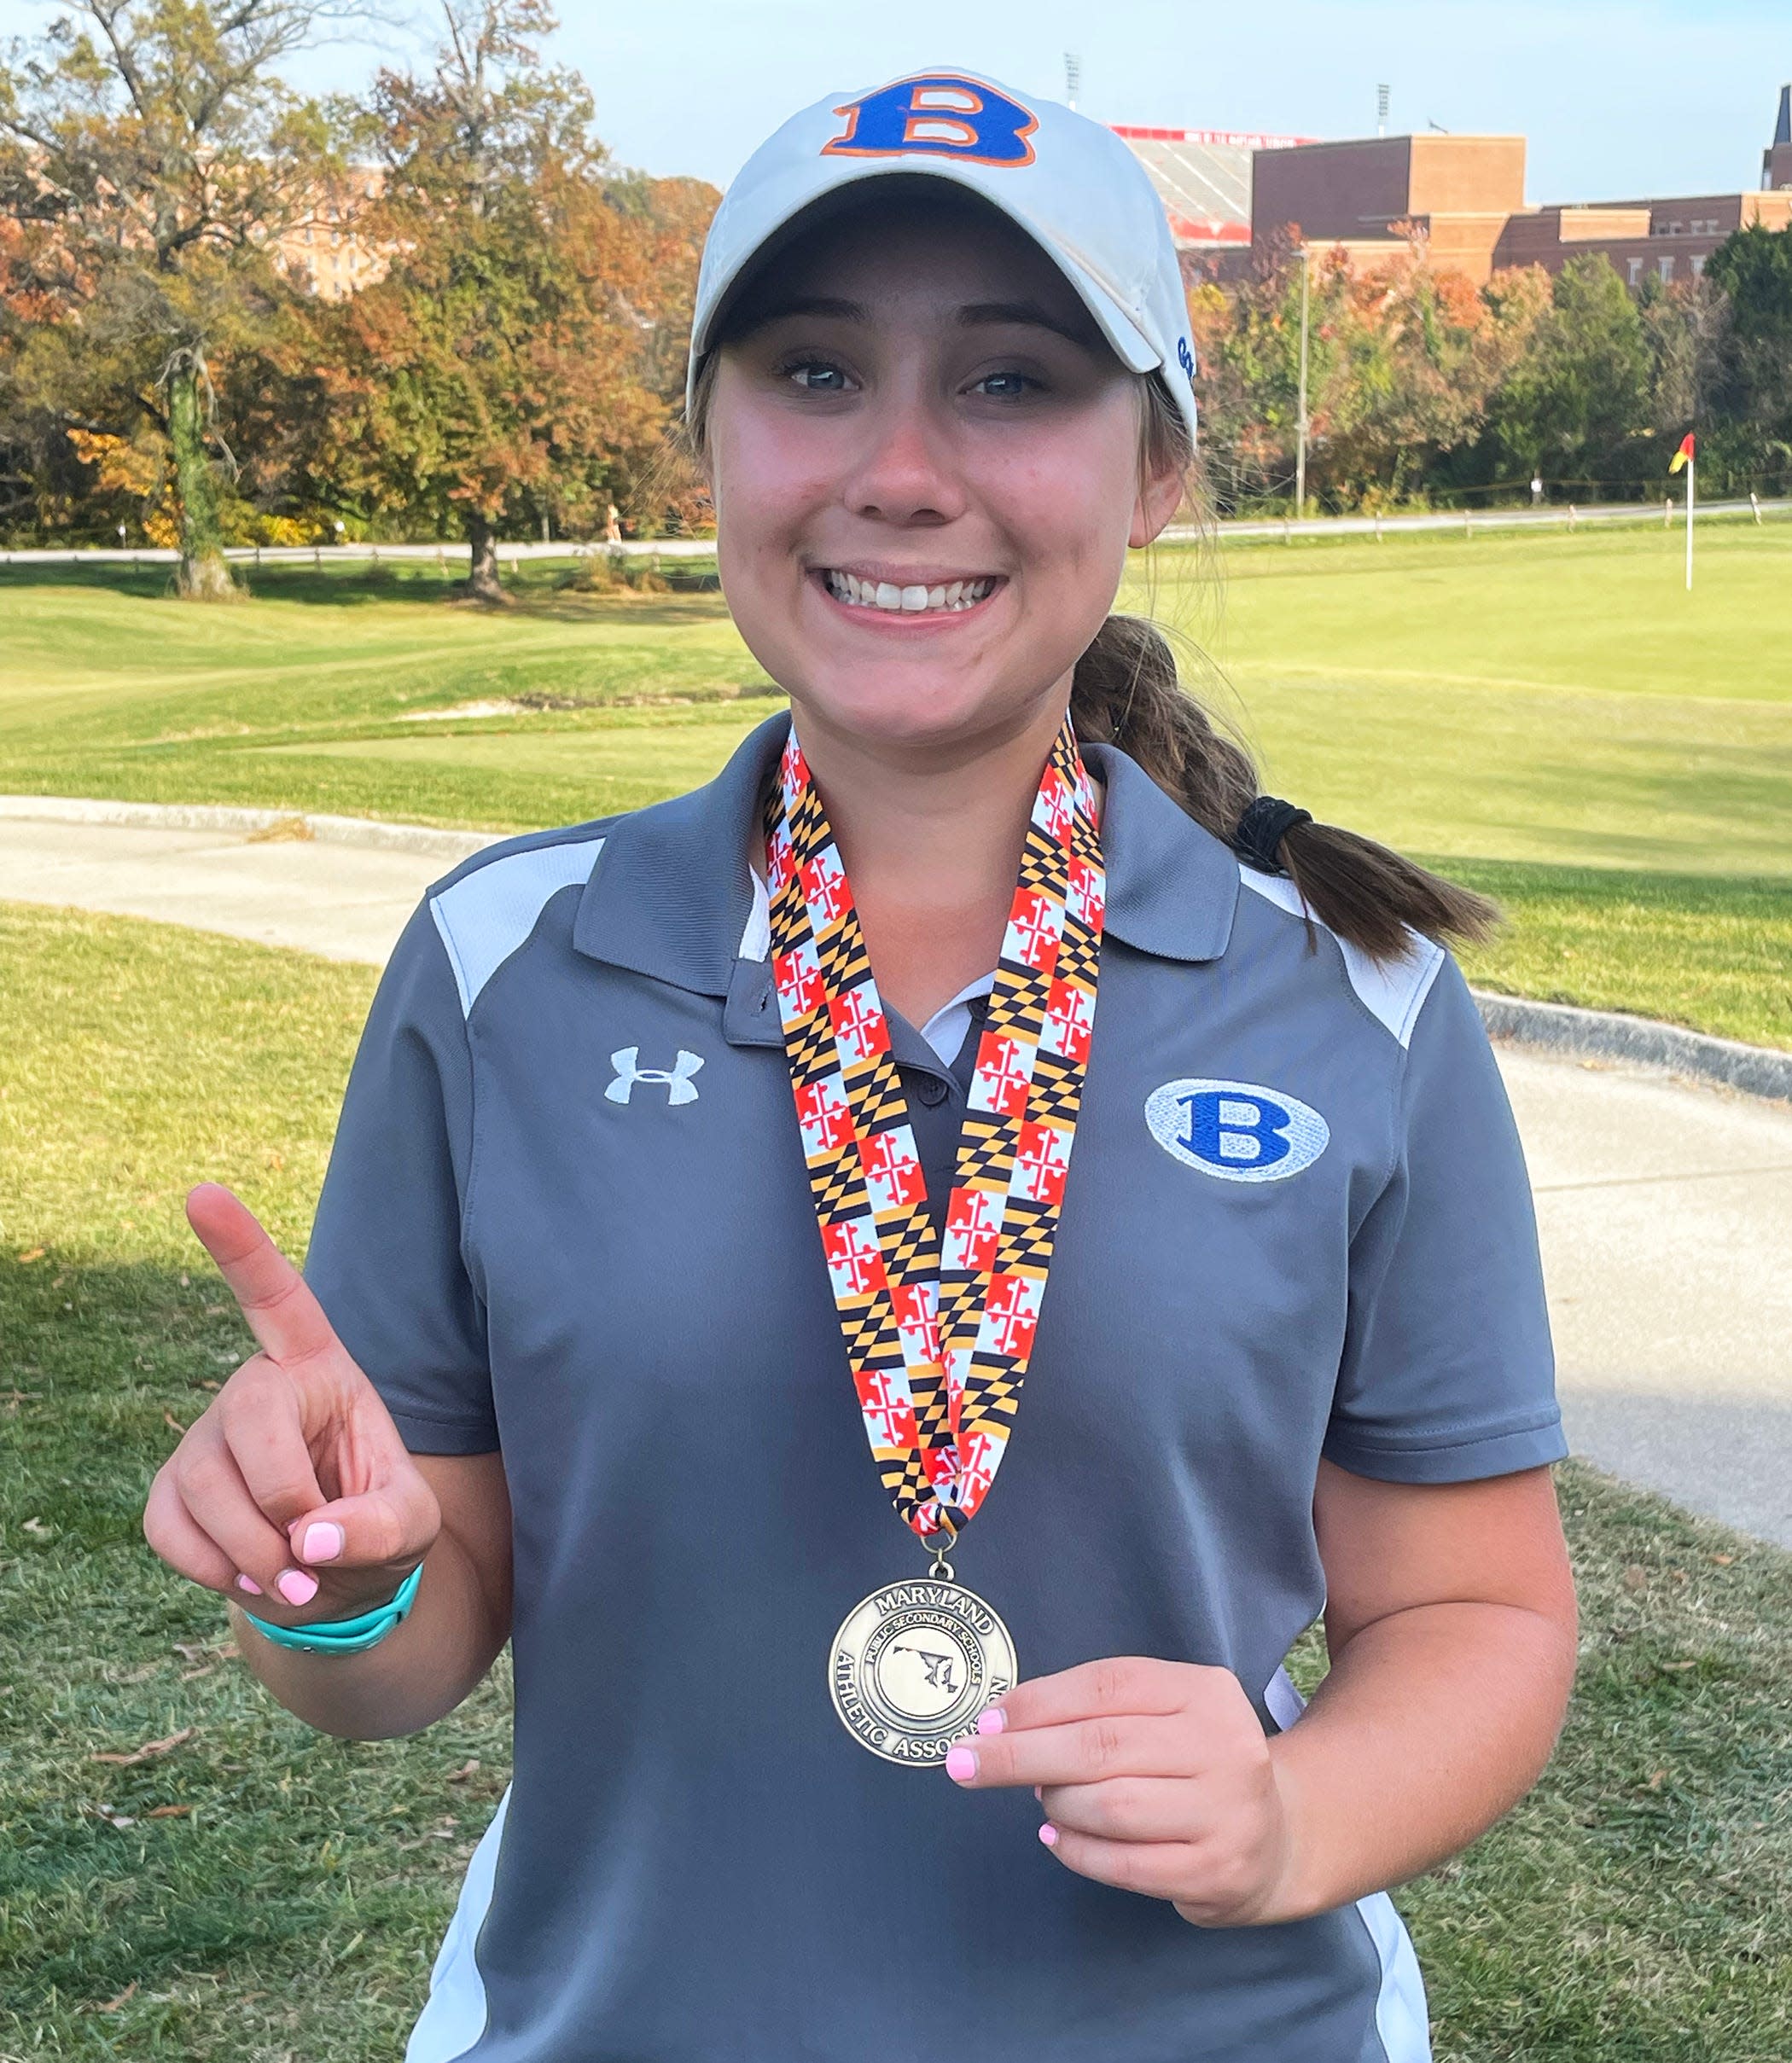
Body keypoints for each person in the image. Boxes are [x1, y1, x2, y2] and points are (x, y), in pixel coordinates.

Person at [143, 67, 1576, 2063]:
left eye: (1011, 382)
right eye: (814, 372)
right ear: (711, 445)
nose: (901, 468)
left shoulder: (1355, 1001)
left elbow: (1479, 1616)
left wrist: (1294, 1811)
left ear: (1154, 470)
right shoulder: (507, 968)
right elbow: (417, 1639)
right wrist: (331, 1586)